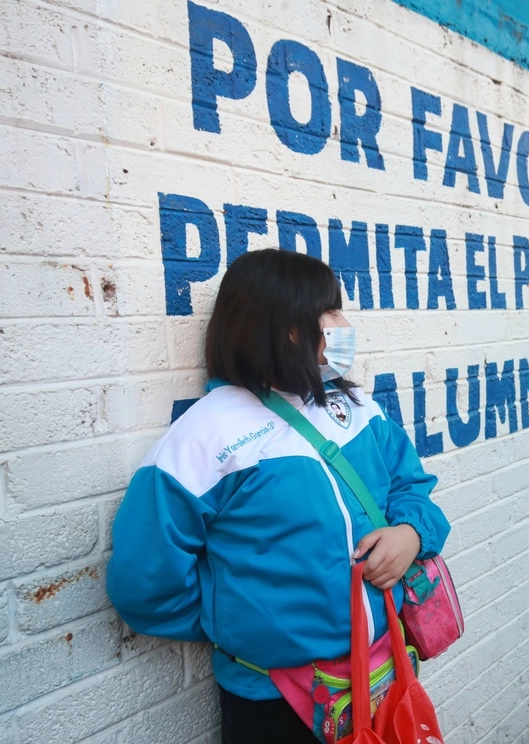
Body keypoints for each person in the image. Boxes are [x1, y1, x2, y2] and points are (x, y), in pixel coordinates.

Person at [105, 249, 451, 743]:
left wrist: (412, 534)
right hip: (274, 704)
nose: (344, 323)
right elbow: (144, 578)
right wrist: (239, 616)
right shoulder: (207, 434)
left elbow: (412, 486)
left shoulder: (357, 408)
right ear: (287, 329)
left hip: (383, 673)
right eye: (330, 311)